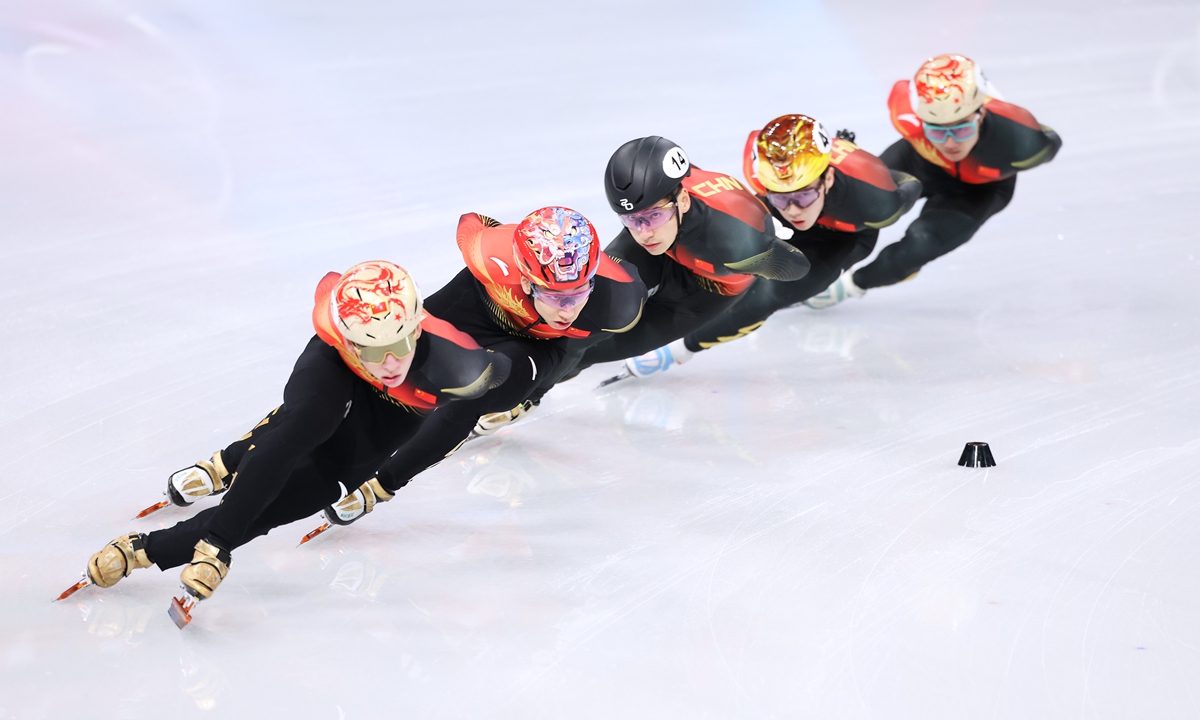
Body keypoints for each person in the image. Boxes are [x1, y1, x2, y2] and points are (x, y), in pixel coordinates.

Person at [74, 261, 510, 617]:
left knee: (281, 505)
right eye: (374, 350)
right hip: (339, 371)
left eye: (400, 344)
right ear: (349, 340)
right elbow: (288, 448)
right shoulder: (339, 348)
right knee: (305, 424)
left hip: (380, 427)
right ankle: (235, 459)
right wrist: (218, 546)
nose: (390, 362)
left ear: (417, 328)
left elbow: (509, 374)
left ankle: (141, 551)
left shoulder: (463, 369)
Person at [329, 206, 646, 502]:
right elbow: (470, 221)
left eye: (578, 294)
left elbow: (627, 277)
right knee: (400, 349)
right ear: (525, 278)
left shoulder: (617, 302)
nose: (568, 310)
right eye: (553, 295)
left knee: (479, 389)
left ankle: (380, 486)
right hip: (479, 305)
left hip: (540, 345)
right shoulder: (487, 251)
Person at [626, 114, 920, 374]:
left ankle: (678, 352)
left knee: (769, 295)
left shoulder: (877, 200)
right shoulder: (760, 167)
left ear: (828, 177)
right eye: (780, 195)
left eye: (803, 195)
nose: (792, 209)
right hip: (780, 225)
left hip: (843, 237)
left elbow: (911, 183)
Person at [807, 53, 1062, 307]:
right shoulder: (904, 112)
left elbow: (1052, 142)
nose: (950, 143)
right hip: (919, 161)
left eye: (962, 128)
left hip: (980, 191)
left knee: (921, 244)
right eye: (936, 129)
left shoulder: (1023, 142)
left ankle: (854, 285)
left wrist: (849, 285)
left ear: (981, 115)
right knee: (856, 201)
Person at [552, 135, 812, 383]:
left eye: (653, 215)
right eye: (631, 219)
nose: (644, 232)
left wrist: (768, 251)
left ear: (684, 200)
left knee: (590, 351)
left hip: (705, 289)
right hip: (672, 243)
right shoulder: (660, 201)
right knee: (588, 312)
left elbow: (797, 269)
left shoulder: (737, 245)